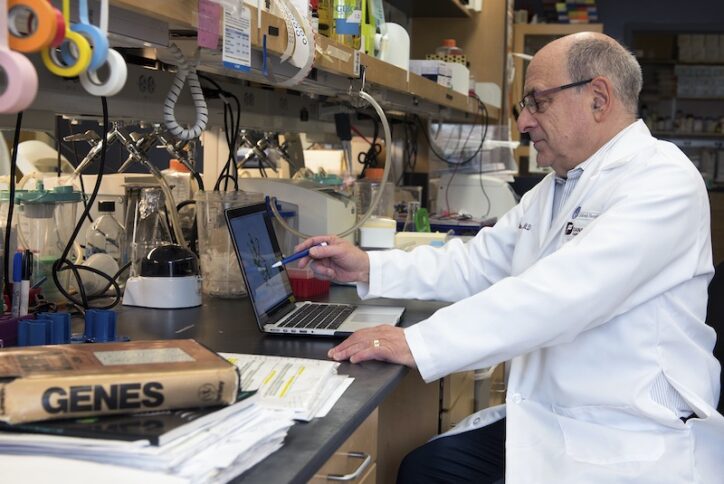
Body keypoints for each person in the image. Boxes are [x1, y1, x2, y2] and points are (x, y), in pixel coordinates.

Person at [296, 32, 724, 483]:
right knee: (426, 469)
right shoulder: (558, 187)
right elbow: (476, 262)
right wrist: (369, 266)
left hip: (625, 434)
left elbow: (562, 295)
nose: (523, 122)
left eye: (538, 102)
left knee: (429, 474)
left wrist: (418, 343)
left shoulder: (663, 180)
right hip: (552, 421)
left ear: (598, 98)